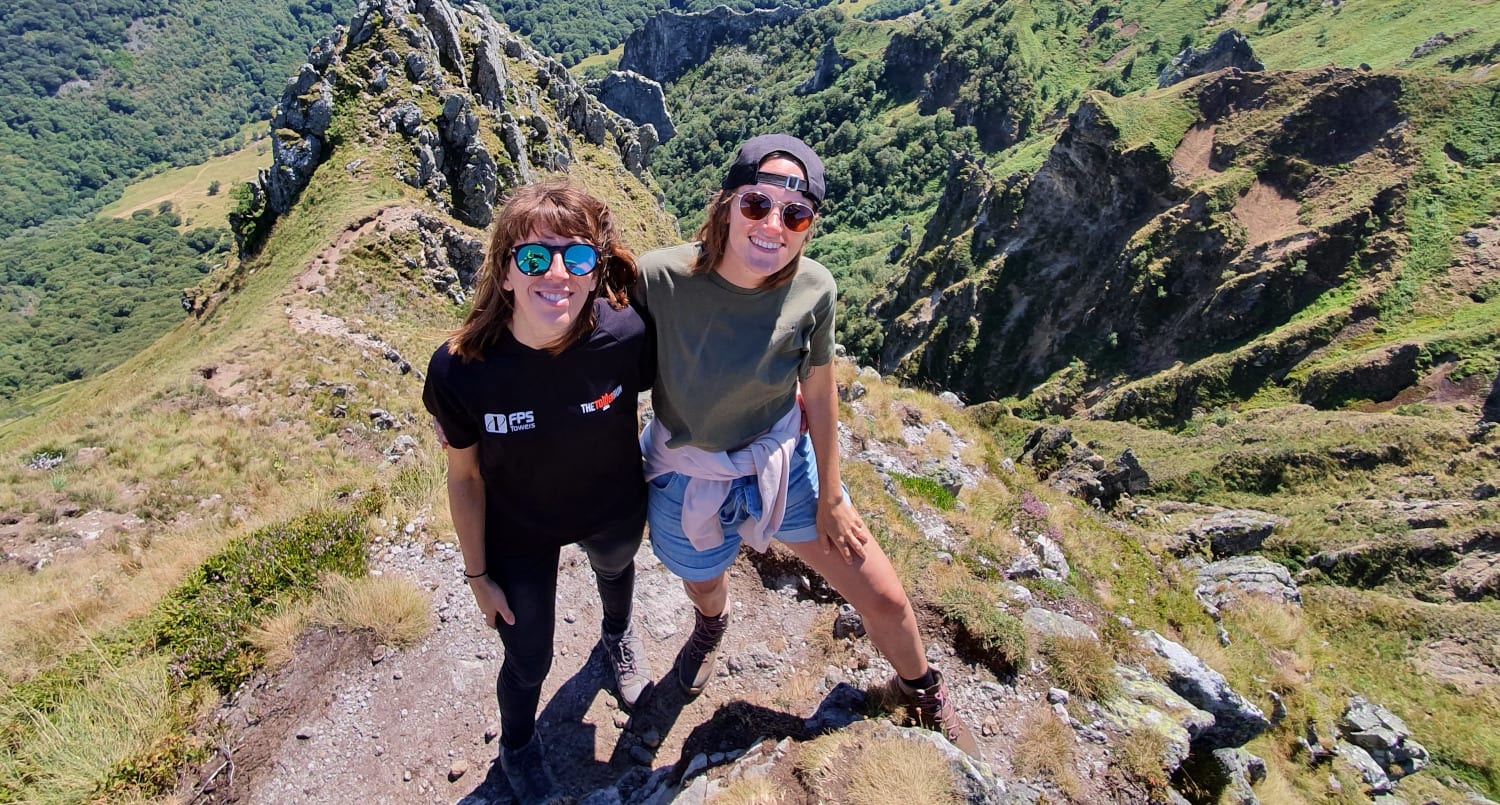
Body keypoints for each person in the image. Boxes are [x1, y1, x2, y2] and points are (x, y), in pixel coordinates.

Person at [633, 134, 978, 757]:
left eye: (795, 215)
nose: (773, 226)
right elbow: (598, 354)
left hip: (779, 463)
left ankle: (919, 688)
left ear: (809, 225)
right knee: (703, 581)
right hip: (685, 473)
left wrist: (833, 495)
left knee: (885, 595)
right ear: (726, 203)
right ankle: (712, 625)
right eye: (757, 205)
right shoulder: (660, 279)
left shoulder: (814, 288)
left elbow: (818, 391)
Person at [423, 180, 654, 804]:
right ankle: (518, 746)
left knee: (616, 567)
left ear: (594, 268)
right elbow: (465, 477)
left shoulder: (626, 335)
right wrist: (476, 575)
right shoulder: (459, 370)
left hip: (611, 506)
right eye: (533, 258)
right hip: (517, 531)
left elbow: (691, 383)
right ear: (503, 275)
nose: (557, 273)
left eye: (577, 257)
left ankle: (615, 638)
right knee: (528, 658)